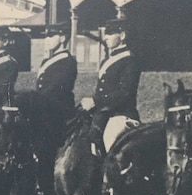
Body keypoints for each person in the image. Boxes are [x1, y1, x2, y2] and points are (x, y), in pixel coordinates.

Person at [80, 18, 140, 156]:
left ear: (122, 35)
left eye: (111, 33)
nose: (106, 37)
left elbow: (125, 93)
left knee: (110, 138)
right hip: (103, 112)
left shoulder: (130, 61)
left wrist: (96, 101)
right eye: (106, 33)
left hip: (120, 114)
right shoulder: (107, 61)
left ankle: (110, 177)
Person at [36, 22, 78, 124]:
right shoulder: (46, 61)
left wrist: (38, 101)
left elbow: (57, 87)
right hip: (45, 106)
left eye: (51, 36)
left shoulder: (67, 61)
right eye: (46, 36)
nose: (47, 40)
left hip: (59, 109)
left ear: (62, 38)